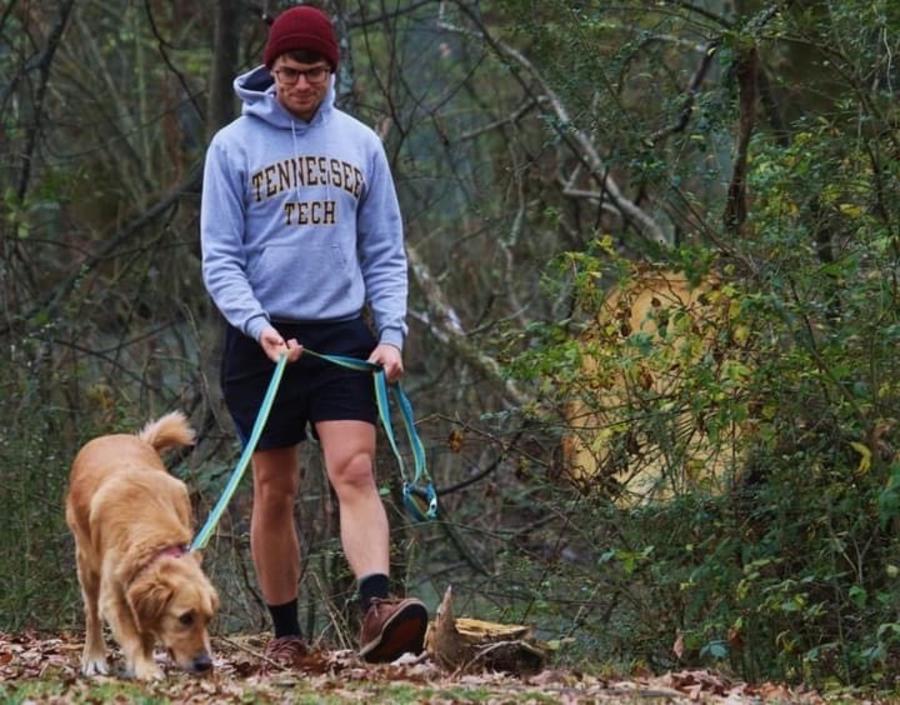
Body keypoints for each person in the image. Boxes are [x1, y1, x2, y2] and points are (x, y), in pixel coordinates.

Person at [200, 4, 427, 668]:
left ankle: (378, 606)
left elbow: (386, 250)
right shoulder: (232, 148)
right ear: (270, 71)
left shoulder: (360, 144)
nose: (303, 85)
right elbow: (220, 256)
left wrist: (390, 334)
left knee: (354, 468)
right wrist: (259, 327)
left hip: (338, 335)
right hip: (261, 342)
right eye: (292, 73)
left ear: (334, 71)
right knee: (275, 486)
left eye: (317, 73)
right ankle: (287, 633)